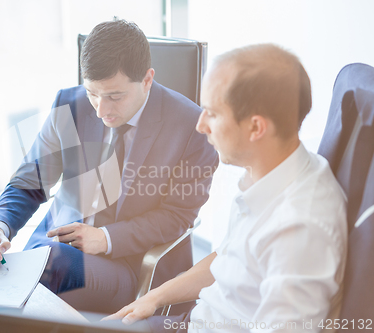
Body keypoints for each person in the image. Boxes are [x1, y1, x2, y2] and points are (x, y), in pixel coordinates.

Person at [0, 19, 218, 313]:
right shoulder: (70, 104)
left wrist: (107, 239)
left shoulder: (193, 127)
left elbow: (177, 215)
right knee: (3, 277)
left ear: (147, 80)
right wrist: (0, 227)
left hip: (127, 263)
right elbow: (30, 182)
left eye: (114, 96)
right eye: (92, 93)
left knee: (36, 277)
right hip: (53, 249)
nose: (101, 110)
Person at [104, 44, 348, 332]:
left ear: (256, 128)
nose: (200, 125)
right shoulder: (270, 176)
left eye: (212, 113)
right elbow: (228, 259)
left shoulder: (299, 229)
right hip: (195, 321)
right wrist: (153, 298)